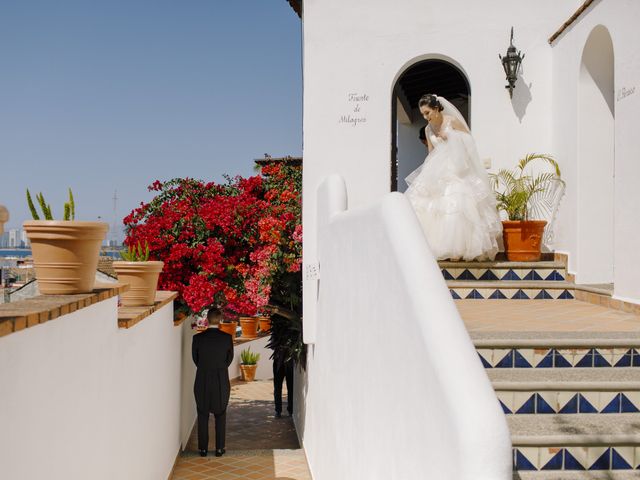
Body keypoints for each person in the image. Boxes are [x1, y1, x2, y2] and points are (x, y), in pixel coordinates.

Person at [405, 94, 501, 261]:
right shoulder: (428, 130)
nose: (425, 117)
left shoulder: (452, 122)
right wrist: (428, 174)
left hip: (457, 169)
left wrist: (452, 137)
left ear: (436, 108)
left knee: (458, 205)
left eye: (427, 113)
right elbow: (430, 152)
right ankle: (437, 248)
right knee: (431, 206)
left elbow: (470, 142)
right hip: (437, 170)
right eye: (423, 114)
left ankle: (458, 250)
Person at [192, 308, 234, 457]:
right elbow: (229, 360)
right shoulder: (227, 338)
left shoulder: (197, 339)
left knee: (202, 414)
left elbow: (195, 359)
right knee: (221, 414)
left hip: (202, 378)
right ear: (220, 319)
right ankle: (219, 449)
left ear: (207, 320)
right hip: (220, 380)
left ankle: (203, 449)